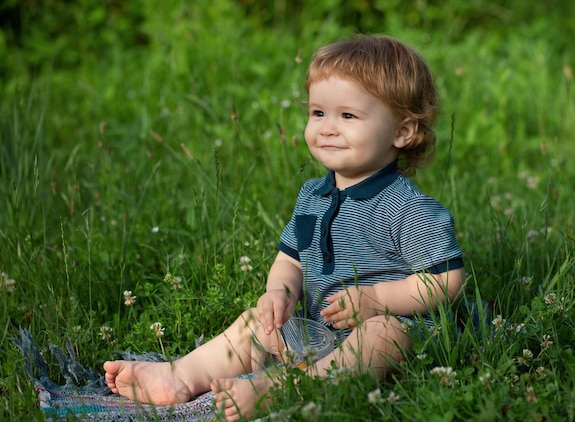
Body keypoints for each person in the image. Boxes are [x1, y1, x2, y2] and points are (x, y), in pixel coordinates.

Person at [104, 34, 465, 421]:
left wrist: (377, 301)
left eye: (348, 116)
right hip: (321, 331)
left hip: (403, 334)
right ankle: (179, 377)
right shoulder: (313, 195)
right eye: (317, 113)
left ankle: (293, 388)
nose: (327, 128)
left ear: (402, 132)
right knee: (253, 324)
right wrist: (279, 293)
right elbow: (290, 260)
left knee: (383, 336)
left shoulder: (406, 207)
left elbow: (446, 280)